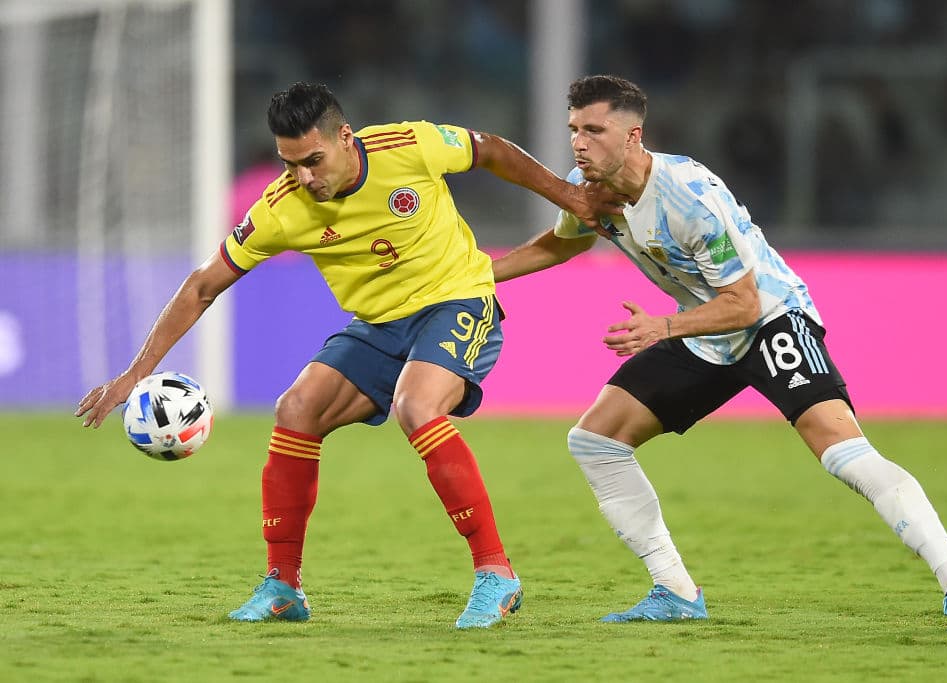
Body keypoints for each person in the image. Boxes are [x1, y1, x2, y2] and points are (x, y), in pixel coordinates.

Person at [76, 82, 622, 629]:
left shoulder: (409, 146)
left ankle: (495, 572)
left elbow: (494, 151)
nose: (305, 178)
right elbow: (201, 285)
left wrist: (571, 198)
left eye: (313, 161)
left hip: (457, 301)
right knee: (296, 410)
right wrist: (134, 374)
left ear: (344, 138)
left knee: (417, 405)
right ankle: (282, 586)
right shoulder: (280, 209)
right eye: (291, 165)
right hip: (379, 325)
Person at [491, 75, 947, 633]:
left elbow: (743, 303)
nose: (579, 143)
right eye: (574, 129)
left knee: (842, 452)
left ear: (633, 135)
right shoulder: (590, 187)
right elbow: (566, 239)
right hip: (699, 330)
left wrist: (662, 327)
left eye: (594, 129)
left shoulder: (689, 198)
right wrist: (476, 275)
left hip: (769, 318)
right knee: (596, 441)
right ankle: (676, 591)